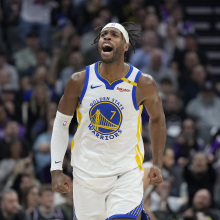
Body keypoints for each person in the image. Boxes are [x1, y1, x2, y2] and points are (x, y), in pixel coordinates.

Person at [50, 22, 166, 220]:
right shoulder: (79, 81)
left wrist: (157, 163)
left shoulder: (142, 83)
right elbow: (61, 124)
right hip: (86, 174)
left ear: (126, 46)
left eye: (114, 34)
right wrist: (56, 169)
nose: (107, 37)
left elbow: (157, 120)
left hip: (126, 172)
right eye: (104, 34)